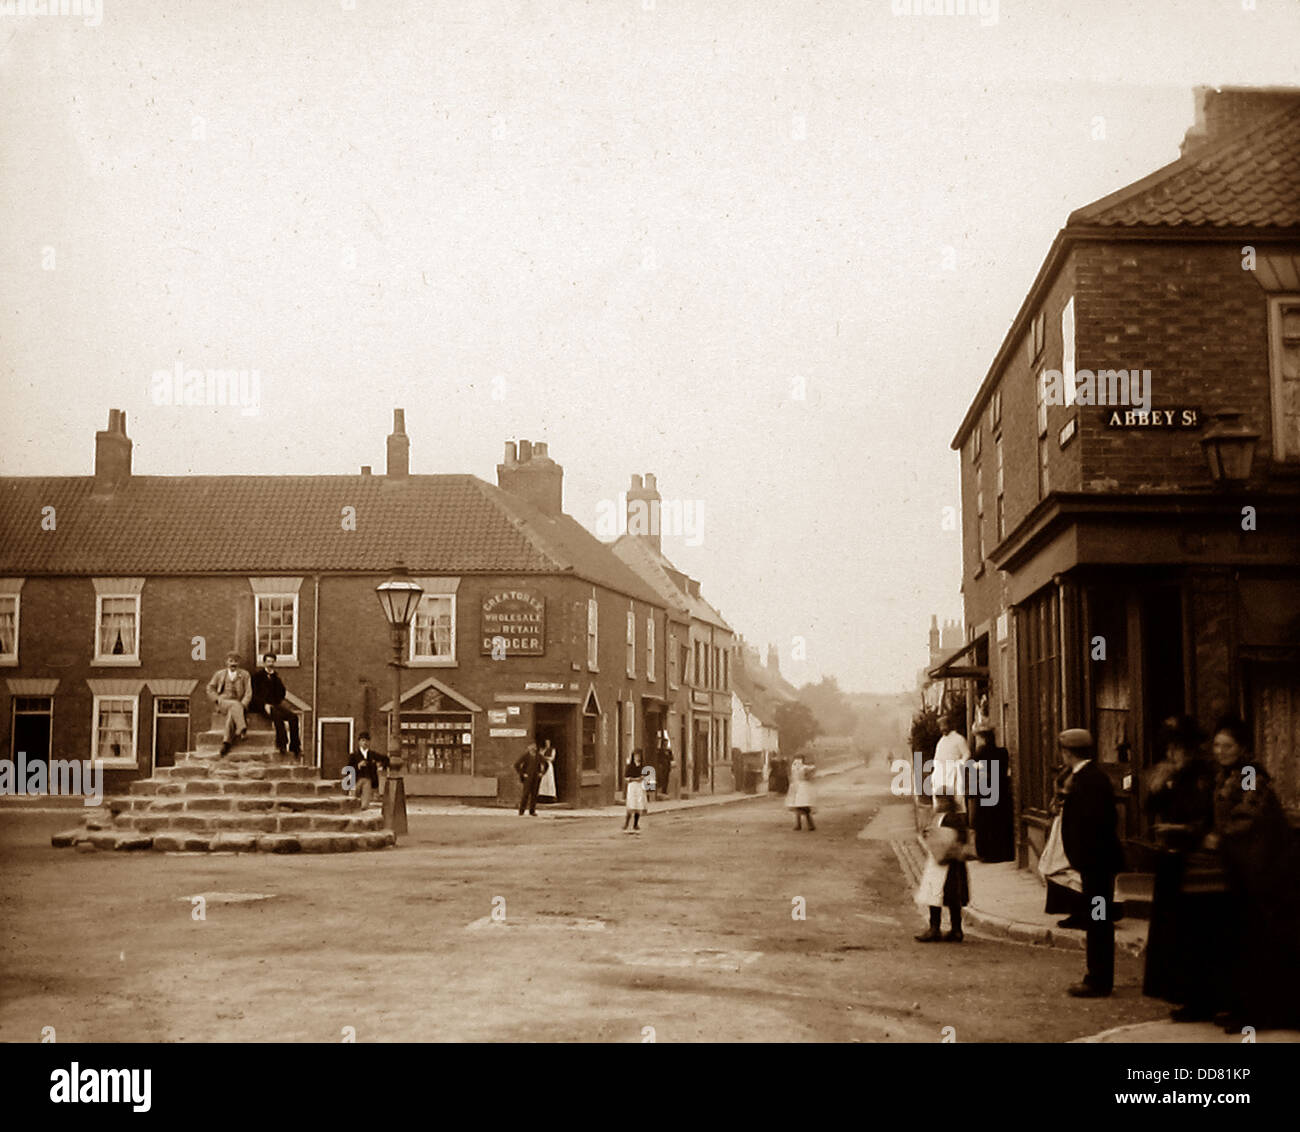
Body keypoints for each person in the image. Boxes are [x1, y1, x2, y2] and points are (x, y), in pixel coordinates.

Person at [1207, 715, 1300, 1032]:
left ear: (1242, 748)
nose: (1220, 750)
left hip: (1262, 870)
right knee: (1239, 940)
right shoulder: (1227, 774)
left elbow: (1250, 815)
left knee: (1255, 942)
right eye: (1217, 744)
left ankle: (1254, 1012)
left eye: (1227, 745)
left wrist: (1221, 835)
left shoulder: (1248, 774)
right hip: (1240, 866)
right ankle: (1241, 1007)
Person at [1141, 716, 1219, 1020]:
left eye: (1177, 749)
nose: (1172, 754)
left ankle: (1200, 999)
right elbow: (1150, 807)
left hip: (1197, 864)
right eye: (1170, 749)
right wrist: (1158, 786)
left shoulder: (1203, 775)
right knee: (1173, 933)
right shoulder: (1172, 773)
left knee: (1194, 934)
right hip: (1171, 860)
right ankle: (1181, 994)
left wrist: (1182, 828)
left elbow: (1208, 817)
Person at [1058, 728, 1126, 998]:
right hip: (1095, 865)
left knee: (1098, 920)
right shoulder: (1085, 777)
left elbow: (1095, 824)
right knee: (1097, 919)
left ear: (1068, 752)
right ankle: (1097, 975)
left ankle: (1098, 979)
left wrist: (1084, 856)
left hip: (1097, 866)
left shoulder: (1089, 780)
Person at [915, 793, 971, 943]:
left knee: (935, 894)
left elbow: (943, 839)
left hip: (943, 863)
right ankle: (956, 930)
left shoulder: (946, 818)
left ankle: (934, 929)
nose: (938, 803)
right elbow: (962, 839)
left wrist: (929, 836)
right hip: (955, 863)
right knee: (953, 898)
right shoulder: (957, 817)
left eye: (940, 800)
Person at [249, 652, 301, 759]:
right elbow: (253, 694)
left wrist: (277, 702)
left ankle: (295, 746)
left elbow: (282, 692)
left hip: (274, 704)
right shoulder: (257, 677)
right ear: (264, 663)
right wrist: (264, 704)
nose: (270, 664)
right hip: (260, 706)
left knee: (293, 717)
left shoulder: (276, 677)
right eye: (268, 661)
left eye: (272, 661)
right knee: (277, 717)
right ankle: (281, 744)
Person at [206, 652, 251, 757]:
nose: (233, 664)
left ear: (239, 663)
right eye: (231, 661)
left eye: (235, 661)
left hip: (237, 704)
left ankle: (226, 743)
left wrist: (243, 704)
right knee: (234, 705)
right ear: (226, 662)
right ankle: (242, 727)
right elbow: (210, 688)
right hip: (223, 702)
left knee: (232, 713)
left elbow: (249, 692)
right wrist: (216, 699)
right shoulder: (220, 674)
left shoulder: (244, 675)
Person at [932, 713, 971, 806]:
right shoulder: (941, 741)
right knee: (941, 802)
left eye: (944, 725)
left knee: (956, 802)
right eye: (941, 726)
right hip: (941, 775)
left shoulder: (959, 739)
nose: (942, 729)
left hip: (954, 774)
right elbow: (936, 758)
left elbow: (967, 754)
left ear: (950, 725)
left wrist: (959, 765)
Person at [345, 733, 388, 808]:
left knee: (366, 784)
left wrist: (380, 766)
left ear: (369, 742)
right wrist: (358, 766)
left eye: (367, 741)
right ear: (359, 742)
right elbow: (348, 770)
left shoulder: (373, 755)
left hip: (369, 781)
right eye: (363, 740)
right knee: (353, 799)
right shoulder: (354, 756)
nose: (365, 743)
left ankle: (363, 807)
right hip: (356, 780)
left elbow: (386, 759)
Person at [515, 743, 547, 816]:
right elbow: (517, 764)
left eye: (534, 748)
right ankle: (521, 811)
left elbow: (546, 764)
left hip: (536, 778)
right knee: (525, 794)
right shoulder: (526, 756)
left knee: (534, 795)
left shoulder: (539, 756)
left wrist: (542, 773)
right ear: (529, 749)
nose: (533, 749)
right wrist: (522, 773)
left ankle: (532, 811)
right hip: (528, 778)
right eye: (532, 748)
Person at [786, 754, 815, 831]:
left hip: (798, 786)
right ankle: (806, 824)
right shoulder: (803, 767)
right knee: (801, 806)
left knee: (800, 806)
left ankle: (800, 825)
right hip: (801, 787)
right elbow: (812, 769)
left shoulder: (795, 767)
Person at [623, 748, 648, 833]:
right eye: (636, 756)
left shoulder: (642, 766)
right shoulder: (630, 766)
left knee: (638, 805)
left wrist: (642, 778)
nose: (637, 758)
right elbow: (626, 778)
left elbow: (645, 776)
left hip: (639, 786)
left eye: (639, 756)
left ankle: (635, 824)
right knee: (631, 804)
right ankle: (626, 822)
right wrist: (634, 779)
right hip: (632, 786)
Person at [537, 740, 557, 804]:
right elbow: (539, 756)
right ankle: (542, 796)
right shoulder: (542, 749)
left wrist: (544, 757)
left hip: (548, 765)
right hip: (542, 765)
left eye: (548, 743)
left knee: (549, 780)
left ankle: (551, 796)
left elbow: (552, 758)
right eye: (546, 743)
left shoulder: (552, 750)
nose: (547, 744)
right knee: (543, 781)